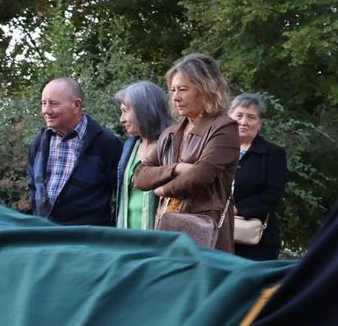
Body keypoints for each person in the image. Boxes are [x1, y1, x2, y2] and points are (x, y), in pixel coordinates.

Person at [133, 54, 242, 252]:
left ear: (206, 89)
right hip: (169, 231)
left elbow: (201, 175)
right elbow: (139, 176)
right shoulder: (170, 133)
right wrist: (176, 169)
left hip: (206, 235)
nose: (175, 97)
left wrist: (163, 190)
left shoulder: (224, 127)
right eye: (173, 90)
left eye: (183, 89)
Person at [27, 77, 122, 225]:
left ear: (76, 105)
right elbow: (33, 186)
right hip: (45, 237)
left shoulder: (106, 143)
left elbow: (122, 195)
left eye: (53, 104)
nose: (46, 110)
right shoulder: (39, 141)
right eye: (43, 103)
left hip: (87, 241)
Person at [229, 93, 288, 261]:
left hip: (256, 241)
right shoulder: (217, 151)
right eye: (239, 115)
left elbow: (273, 193)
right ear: (228, 119)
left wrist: (236, 209)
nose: (243, 122)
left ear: (259, 124)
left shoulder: (273, 154)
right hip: (217, 236)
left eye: (251, 117)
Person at [113, 81, 171, 230]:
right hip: (127, 236)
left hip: (160, 238)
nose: (122, 119)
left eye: (125, 111)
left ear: (143, 110)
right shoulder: (130, 145)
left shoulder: (171, 144)